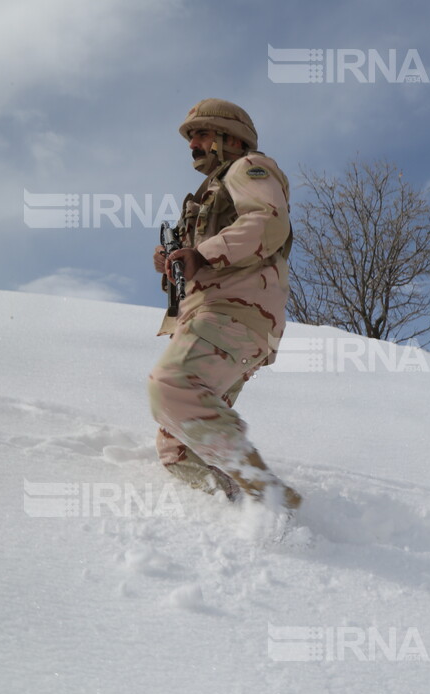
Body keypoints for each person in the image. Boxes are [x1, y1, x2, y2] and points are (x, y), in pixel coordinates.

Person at [148, 98, 301, 512]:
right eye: (190, 137)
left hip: (235, 316)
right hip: (210, 318)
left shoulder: (248, 168)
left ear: (228, 138)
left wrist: (205, 253)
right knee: (176, 448)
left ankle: (267, 492)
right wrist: (174, 260)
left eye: (199, 133)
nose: (191, 144)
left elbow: (268, 220)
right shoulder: (211, 191)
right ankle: (241, 510)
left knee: (171, 385)